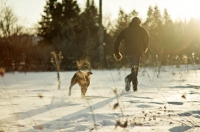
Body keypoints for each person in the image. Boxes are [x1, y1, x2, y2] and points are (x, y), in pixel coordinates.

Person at [113, 17, 150, 92]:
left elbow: (117, 40)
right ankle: (128, 79)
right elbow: (147, 39)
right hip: (137, 52)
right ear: (139, 22)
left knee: (134, 69)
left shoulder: (125, 30)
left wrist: (117, 52)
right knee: (135, 70)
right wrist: (144, 49)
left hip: (128, 53)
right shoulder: (142, 30)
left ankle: (135, 89)